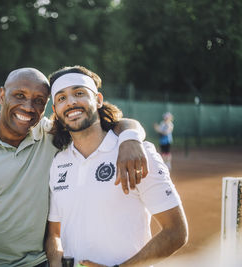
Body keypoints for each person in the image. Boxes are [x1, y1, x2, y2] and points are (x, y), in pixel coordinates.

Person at [0, 67, 148, 267]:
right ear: (2, 95)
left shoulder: (52, 135)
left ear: (46, 107)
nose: (28, 107)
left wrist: (130, 137)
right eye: (20, 96)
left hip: (44, 262)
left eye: (38, 100)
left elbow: (103, 123)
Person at [45, 66, 188, 267]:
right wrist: (54, 260)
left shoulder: (137, 152)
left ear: (98, 100)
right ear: (55, 111)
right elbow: (54, 233)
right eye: (61, 98)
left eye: (79, 93)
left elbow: (176, 232)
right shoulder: (58, 162)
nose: (71, 102)